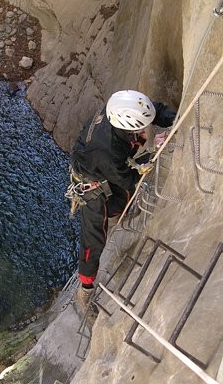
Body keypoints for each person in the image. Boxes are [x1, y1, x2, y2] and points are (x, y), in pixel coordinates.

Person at [69, 90, 176, 312]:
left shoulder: (120, 107)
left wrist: (173, 118)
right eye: (139, 128)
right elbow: (127, 179)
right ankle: (85, 289)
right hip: (92, 183)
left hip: (104, 161)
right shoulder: (105, 150)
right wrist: (151, 153)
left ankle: (120, 213)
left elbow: (151, 111)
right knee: (94, 237)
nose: (143, 129)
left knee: (119, 200)